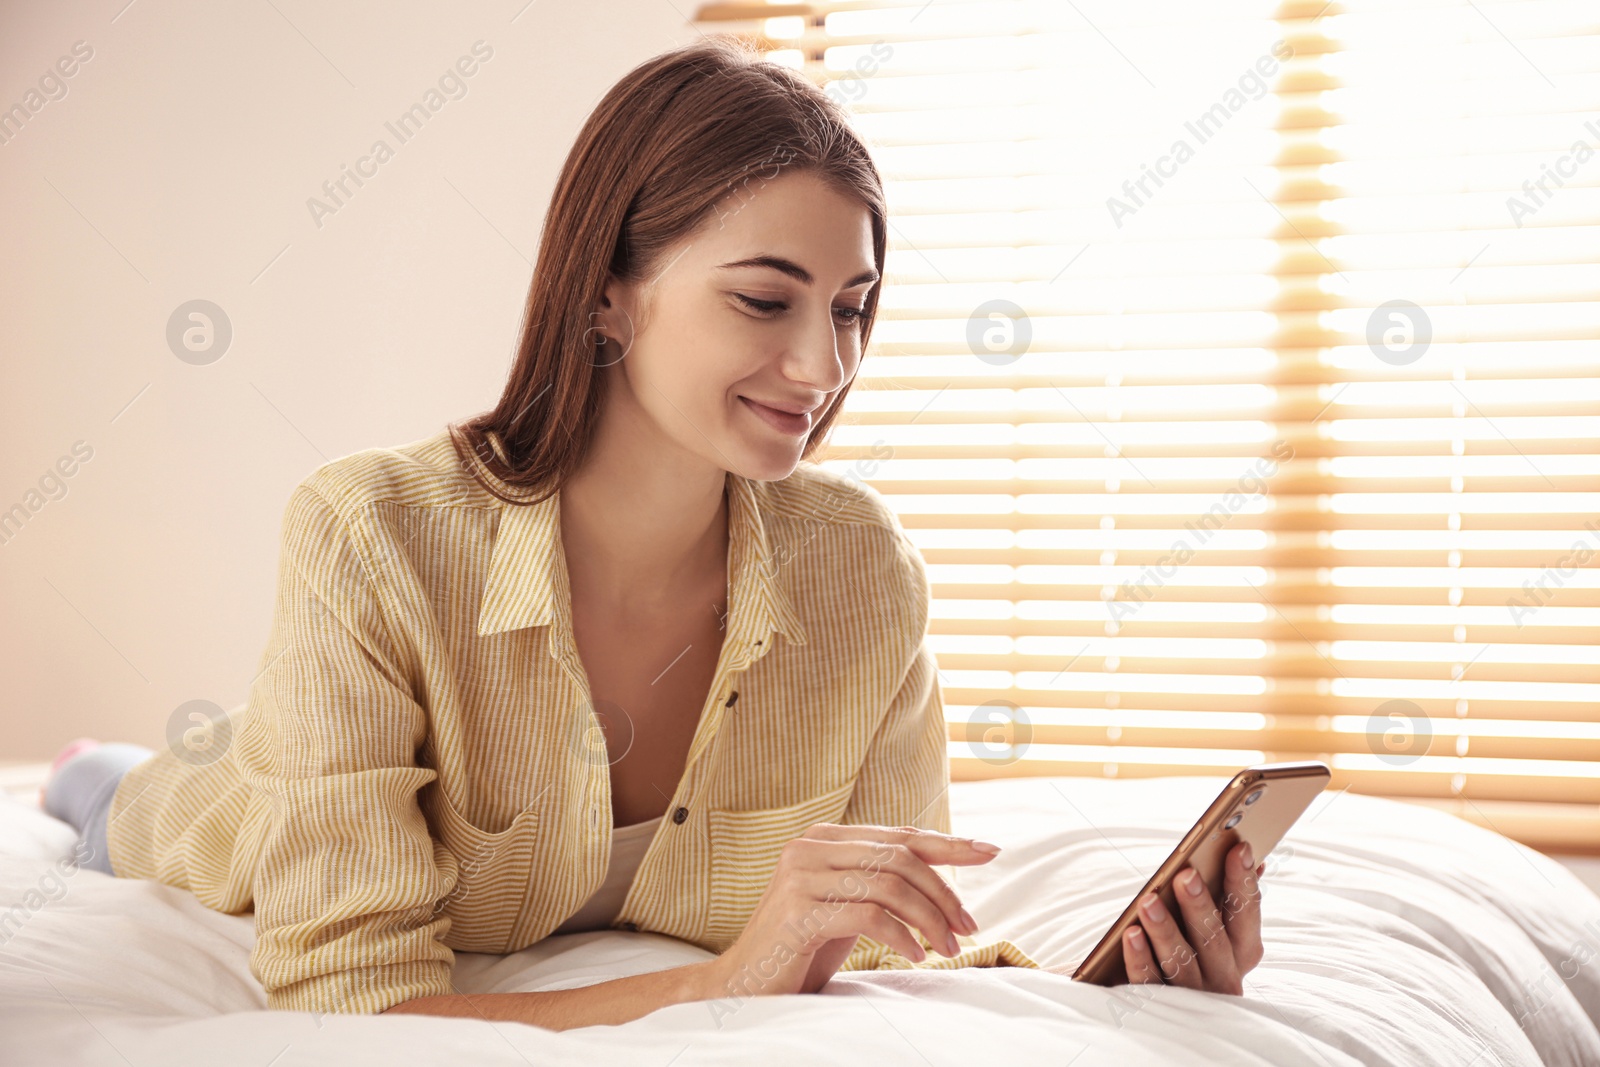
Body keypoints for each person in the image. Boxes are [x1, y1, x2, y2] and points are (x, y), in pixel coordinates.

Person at [40, 35, 1266, 1029]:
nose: (822, 363)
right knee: (125, 797)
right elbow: (356, 1002)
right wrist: (718, 978)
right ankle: (86, 770)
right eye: (762, 298)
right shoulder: (372, 532)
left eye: (851, 307)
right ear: (606, 296)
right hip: (219, 802)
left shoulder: (862, 566)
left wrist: (1117, 986)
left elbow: (894, 951)